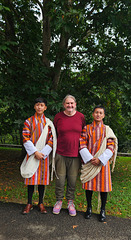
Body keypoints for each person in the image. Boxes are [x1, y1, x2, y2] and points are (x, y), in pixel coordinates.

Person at [79, 105, 118, 222]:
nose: (98, 115)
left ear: (104, 115)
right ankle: (89, 208)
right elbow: (82, 144)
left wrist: (100, 159)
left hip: (102, 163)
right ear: (93, 114)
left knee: (103, 188)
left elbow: (111, 146)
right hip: (90, 162)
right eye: (96, 112)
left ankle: (102, 210)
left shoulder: (107, 130)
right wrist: (91, 158)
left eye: (101, 113)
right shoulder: (86, 128)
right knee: (89, 187)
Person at [20, 97, 57, 214]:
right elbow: (25, 137)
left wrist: (43, 153)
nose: (39, 107)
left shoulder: (49, 123)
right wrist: (35, 152)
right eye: (37, 105)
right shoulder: (28, 121)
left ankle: (41, 203)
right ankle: (29, 203)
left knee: (41, 180)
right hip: (32, 154)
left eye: (42, 105)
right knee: (30, 179)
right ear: (34, 107)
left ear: (45, 107)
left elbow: (52, 139)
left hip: (43, 156)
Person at [53, 94, 86, 216]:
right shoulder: (58, 117)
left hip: (75, 154)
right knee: (60, 180)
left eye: (72, 103)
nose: (70, 105)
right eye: (67, 103)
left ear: (75, 104)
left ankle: (70, 202)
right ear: (64, 105)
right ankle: (59, 201)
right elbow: (54, 133)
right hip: (61, 153)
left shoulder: (80, 117)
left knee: (72, 180)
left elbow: (83, 134)